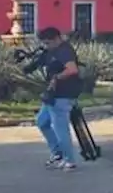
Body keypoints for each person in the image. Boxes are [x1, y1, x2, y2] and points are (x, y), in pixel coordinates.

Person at [34, 27, 83, 171]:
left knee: (60, 127)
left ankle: (69, 160)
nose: (46, 46)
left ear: (57, 38)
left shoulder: (64, 50)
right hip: (53, 94)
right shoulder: (53, 51)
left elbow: (72, 69)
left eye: (48, 43)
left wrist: (57, 77)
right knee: (42, 122)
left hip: (63, 94)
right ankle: (57, 154)